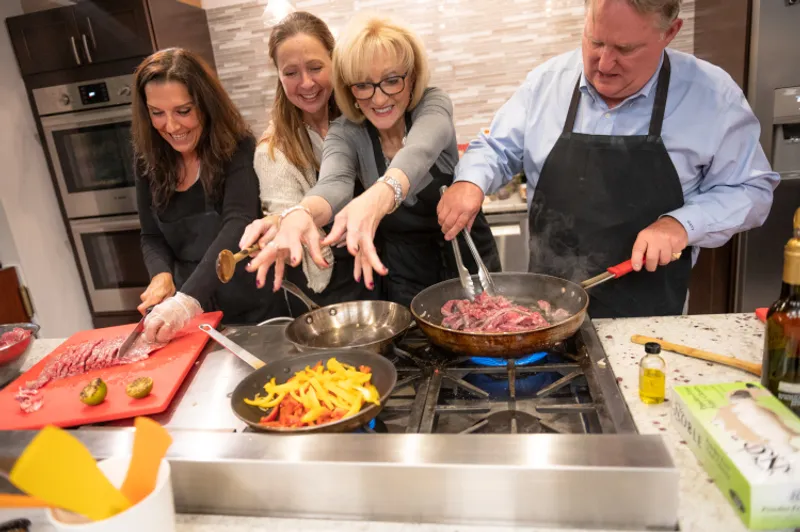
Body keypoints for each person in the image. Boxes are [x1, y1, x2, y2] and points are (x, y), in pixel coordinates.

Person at [438, 0, 779, 318]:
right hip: (547, 315)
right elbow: (496, 148)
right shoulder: (547, 83)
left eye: (625, 49)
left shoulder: (712, 96)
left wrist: (681, 224)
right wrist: (471, 181)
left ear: (670, 33)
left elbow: (751, 188)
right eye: (595, 42)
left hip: (650, 323)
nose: (603, 64)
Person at [242, 14, 501, 307]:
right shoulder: (346, 131)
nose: (378, 99)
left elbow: (418, 151)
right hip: (405, 272)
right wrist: (300, 213)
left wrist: (380, 193)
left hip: (469, 257)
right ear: (349, 88)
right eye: (363, 85)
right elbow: (333, 184)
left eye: (392, 81)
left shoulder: (432, 104)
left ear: (412, 76)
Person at [133, 48, 289, 343]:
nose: (172, 126)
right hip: (190, 314)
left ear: (205, 104)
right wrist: (161, 275)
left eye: (183, 110)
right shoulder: (146, 159)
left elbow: (238, 221)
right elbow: (151, 236)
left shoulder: (237, 145)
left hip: (250, 304)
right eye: (157, 113)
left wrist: (186, 300)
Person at [243, 11, 374, 313]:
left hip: (384, 269)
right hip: (326, 286)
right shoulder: (273, 150)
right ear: (278, 75)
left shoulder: (365, 117)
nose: (306, 83)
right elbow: (283, 213)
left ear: (334, 61)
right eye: (290, 73)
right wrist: (280, 224)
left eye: (316, 68)